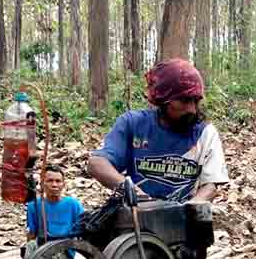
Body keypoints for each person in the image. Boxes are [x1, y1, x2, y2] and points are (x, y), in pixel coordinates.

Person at [89, 58, 229, 203]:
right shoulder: (134, 124)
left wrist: (187, 209)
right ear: (163, 100)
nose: (192, 109)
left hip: (183, 213)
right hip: (137, 212)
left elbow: (211, 185)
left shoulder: (205, 133)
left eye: (196, 101)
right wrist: (132, 192)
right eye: (185, 101)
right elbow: (97, 163)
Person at [26, 165, 85, 242]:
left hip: (68, 249)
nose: (54, 185)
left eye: (58, 181)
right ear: (42, 184)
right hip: (44, 249)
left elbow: (82, 229)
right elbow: (31, 234)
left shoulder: (73, 204)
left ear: (63, 184)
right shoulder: (34, 206)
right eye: (50, 181)